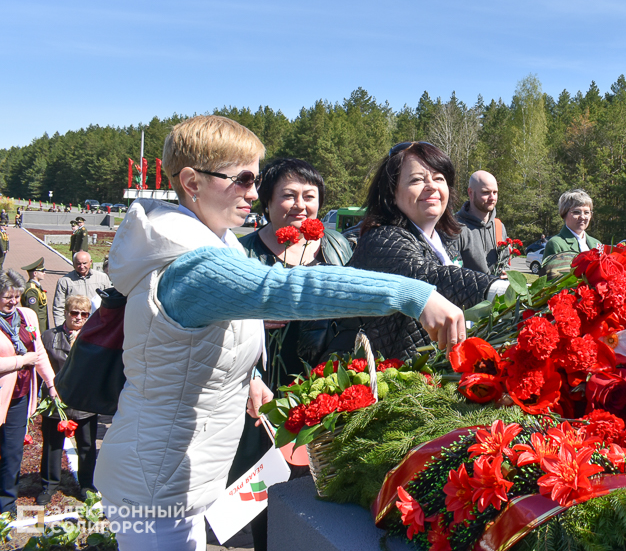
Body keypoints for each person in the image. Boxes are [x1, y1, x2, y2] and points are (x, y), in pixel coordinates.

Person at [93, 115, 466, 550]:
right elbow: (287, 288)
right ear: (192, 182)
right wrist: (412, 293)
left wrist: (247, 379)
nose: (254, 192)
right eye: (243, 179)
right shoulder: (194, 264)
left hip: (176, 471)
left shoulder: (213, 244)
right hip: (156, 481)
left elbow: (196, 344)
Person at [230, 158, 354, 551]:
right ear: (266, 202)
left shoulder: (338, 247)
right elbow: (216, 325)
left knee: (322, 500)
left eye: (309, 196)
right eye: (288, 195)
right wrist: (249, 320)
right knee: (269, 498)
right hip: (263, 398)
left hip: (326, 393)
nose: (300, 205)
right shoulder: (242, 254)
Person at [337, 141, 505, 361]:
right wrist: (500, 291)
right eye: (417, 179)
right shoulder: (382, 238)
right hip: (390, 379)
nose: (432, 186)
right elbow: (426, 275)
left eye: (439, 178)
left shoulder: (445, 238)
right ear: (391, 193)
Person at [0, 270, 57, 516]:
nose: (13, 302)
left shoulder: (28, 316)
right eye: (7, 297)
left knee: (12, 453)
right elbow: (29, 357)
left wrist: (52, 385)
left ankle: (6, 505)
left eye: (16, 296)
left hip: (19, 397)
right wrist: (21, 360)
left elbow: (40, 352)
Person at [38, 295, 98, 504]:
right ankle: (49, 485)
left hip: (84, 402)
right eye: (74, 313)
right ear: (66, 313)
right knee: (53, 445)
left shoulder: (95, 338)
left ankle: (86, 485)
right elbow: (40, 368)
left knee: (86, 446)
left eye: (84, 314)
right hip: (57, 401)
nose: (79, 317)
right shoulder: (48, 337)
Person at [446, 170, 507, 274]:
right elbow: (452, 275)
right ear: (470, 193)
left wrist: (506, 275)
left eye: (495, 192)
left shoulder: (499, 227)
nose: (492, 197)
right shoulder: (455, 227)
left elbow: (506, 263)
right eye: (486, 192)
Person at [51, 251, 112, 327]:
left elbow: (110, 302)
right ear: (73, 263)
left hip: (97, 323)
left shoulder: (102, 278)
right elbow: (58, 307)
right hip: (75, 325)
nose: (82, 266)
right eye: (78, 264)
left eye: (84, 263)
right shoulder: (64, 281)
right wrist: (61, 327)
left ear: (90, 262)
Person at [542, 189, 601, 267]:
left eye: (586, 212)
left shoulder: (597, 244)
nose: (582, 217)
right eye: (576, 212)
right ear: (564, 214)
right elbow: (550, 276)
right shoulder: (556, 244)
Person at [20, 258, 50, 333]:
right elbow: (33, 312)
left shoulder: (36, 287)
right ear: (35, 273)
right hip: (37, 328)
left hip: (41, 326)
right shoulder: (32, 290)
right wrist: (34, 331)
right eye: (42, 271)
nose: (44, 273)